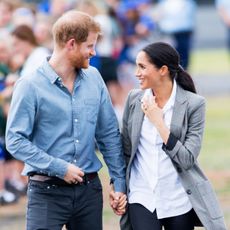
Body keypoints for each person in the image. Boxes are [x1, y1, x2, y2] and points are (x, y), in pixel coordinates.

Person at [6, 10, 126, 230]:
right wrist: (59, 167)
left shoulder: (95, 78)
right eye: (89, 46)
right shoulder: (29, 85)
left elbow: (108, 134)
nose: (94, 52)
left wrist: (118, 183)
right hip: (46, 193)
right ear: (71, 44)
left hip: (89, 192)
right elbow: (15, 140)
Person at [110, 42, 227, 230]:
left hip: (179, 199)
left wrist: (159, 123)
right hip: (142, 196)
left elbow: (187, 159)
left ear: (162, 70)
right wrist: (118, 187)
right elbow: (125, 151)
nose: (136, 72)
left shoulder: (194, 104)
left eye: (142, 66)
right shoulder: (134, 99)